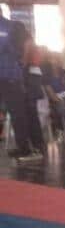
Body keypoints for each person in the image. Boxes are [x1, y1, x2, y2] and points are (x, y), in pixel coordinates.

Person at [0, 13, 43, 161]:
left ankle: (26, 148)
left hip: (10, 76)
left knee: (18, 113)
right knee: (17, 113)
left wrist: (22, 62)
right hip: (7, 76)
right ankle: (24, 147)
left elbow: (28, 43)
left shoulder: (13, 26)